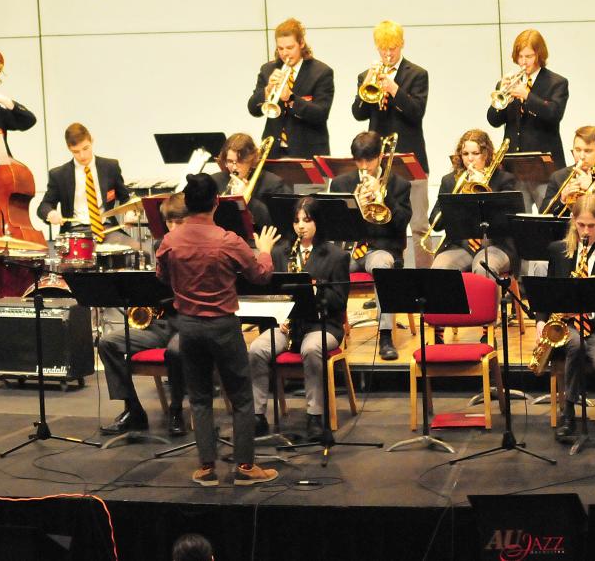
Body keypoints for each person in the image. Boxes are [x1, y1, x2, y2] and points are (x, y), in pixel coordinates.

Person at [156, 174, 279, 486]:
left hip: (189, 327)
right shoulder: (228, 240)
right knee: (240, 397)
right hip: (223, 326)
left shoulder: (170, 241)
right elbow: (260, 275)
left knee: (198, 398)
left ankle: (207, 468)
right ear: (215, 203)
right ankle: (245, 467)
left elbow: (162, 276)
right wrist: (264, 250)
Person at [247, 197, 349, 440]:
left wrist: (315, 290)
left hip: (323, 325)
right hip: (288, 325)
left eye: (307, 220)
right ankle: (257, 415)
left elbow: (339, 300)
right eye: (296, 221)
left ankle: (315, 416)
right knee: (257, 349)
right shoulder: (282, 252)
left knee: (312, 348)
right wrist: (278, 317)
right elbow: (273, 294)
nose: (300, 226)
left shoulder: (336, 256)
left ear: (317, 222)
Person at [537, 194, 595, 438]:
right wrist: (540, 321)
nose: (586, 231)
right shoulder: (558, 252)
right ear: (573, 221)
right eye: (581, 225)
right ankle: (568, 411)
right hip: (566, 327)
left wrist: (589, 310)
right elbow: (547, 293)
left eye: (592, 225)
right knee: (576, 345)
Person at [96, 193, 188, 437]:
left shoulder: (197, 248)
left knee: (177, 351)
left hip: (187, 323)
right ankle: (133, 409)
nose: (173, 227)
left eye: (179, 221)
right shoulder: (160, 245)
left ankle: (176, 409)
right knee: (108, 342)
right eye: (170, 222)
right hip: (159, 324)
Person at [351, 20, 432, 270]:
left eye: (393, 48)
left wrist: (394, 89)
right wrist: (369, 87)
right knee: (379, 219)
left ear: (402, 45)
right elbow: (358, 113)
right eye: (383, 49)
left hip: (410, 157)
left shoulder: (417, 74)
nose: (388, 54)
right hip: (379, 159)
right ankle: (386, 281)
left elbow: (416, 112)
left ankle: (425, 282)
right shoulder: (366, 76)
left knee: (418, 225)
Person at [326, 131, 411, 359]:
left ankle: (385, 336)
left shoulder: (399, 184)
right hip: (351, 249)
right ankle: (329, 330)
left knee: (383, 266)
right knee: (329, 266)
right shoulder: (341, 183)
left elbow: (402, 222)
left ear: (380, 156)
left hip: (381, 249)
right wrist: (354, 210)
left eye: (369, 160)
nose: (364, 167)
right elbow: (333, 225)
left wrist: (383, 199)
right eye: (359, 161)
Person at [485, 29, 568, 211]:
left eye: (529, 56)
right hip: (515, 167)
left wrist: (528, 96)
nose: (524, 62)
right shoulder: (510, 82)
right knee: (518, 222)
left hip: (544, 169)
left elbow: (554, 114)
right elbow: (494, 120)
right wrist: (503, 97)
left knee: (549, 218)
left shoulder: (557, 82)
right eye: (520, 56)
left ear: (539, 54)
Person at [429, 130, 520, 279]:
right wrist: (458, 197)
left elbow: (507, 221)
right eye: (465, 154)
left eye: (475, 153)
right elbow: (435, 222)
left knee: (484, 267)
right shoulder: (450, 181)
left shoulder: (504, 179)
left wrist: (483, 192)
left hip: (496, 245)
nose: (470, 159)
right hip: (460, 245)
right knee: (440, 267)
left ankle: (487, 303)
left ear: (486, 154)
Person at [37, 122, 139, 249]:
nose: (82, 156)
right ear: (69, 148)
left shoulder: (110, 167)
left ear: (92, 141)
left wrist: (130, 211)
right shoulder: (59, 174)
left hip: (106, 228)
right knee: (81, 264)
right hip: (75, 232)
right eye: (76, 151)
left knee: (138, 251)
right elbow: (43, 206)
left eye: (86, 148)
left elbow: (125, 197)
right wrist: (51, 213)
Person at [246, 18, 334, 159]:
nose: (285, 53)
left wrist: (291, 98)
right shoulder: (268, 69)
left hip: (308, 152)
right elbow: (253, 109)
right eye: (280, 48)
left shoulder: (321, 72)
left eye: (290, 48)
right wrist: (267, 91)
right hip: (273, 152)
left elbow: (321, 114)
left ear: (301, 44)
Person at [540, 126, 595, 224]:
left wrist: (593, 190)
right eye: (577, 150)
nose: (581, 156)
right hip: (565, 235)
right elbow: (543, 213)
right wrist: (562, 199)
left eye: (587, 151)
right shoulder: (558, 177)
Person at [212, 132, 287, 230]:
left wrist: (249, 200)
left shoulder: (273, 183)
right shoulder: (215, 181)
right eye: (230, 161)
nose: (234, 167)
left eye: (240, 161)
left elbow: (275, 225)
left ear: (252, 160)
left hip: (258, 241)